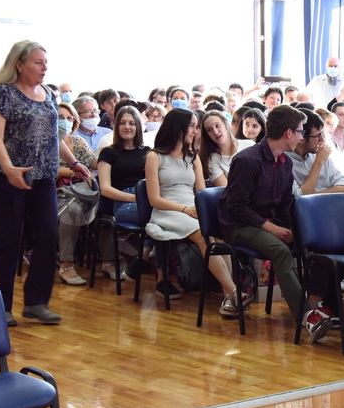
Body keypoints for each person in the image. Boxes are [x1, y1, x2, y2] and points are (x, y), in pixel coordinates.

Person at [0, 40, 91, 326]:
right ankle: (2, 307)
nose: (44, 68)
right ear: (19, 64)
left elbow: (54, 135)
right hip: (6, 176)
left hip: (42, 176)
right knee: (9, 240)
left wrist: (74, 163)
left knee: (48, 235)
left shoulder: (48, 93)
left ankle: (36, 303)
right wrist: (9, 168)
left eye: (45, 62)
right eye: (38, 62)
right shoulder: (3, 93)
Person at [221, 105, 340, 341]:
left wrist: (301, 230)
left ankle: (320, 305)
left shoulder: (285, 162)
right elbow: (236, 207)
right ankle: (308, 316)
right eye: (300, 132)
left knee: (314, 242)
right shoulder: (247, 160)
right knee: (280, 250)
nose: (301, 137)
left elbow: (286, 204)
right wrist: (272, 228)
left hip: (267, 221)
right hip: (239, 225)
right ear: (288, 133)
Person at [144, 107, 241, 315]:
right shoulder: (154, 156)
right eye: (192, 126)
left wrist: (200, 211)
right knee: (203, 236)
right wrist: (185, 209)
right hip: (167, 210)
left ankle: (229, 297)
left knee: (219, 235)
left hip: (191, 208)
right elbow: (154, 199)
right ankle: (234, 292)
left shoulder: (193, 157)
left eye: (196, 127)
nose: (196, 132)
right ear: (178, 128)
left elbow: (201, 193)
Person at [97, 105, 150, 279]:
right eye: (123, 123)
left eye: (132, 123)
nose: (127, 127)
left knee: (162, 218)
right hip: (121, 204)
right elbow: (105, 189)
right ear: (116, 126)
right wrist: (136, 199)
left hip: (146, 201)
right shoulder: (108, 153)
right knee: (159, 218)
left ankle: (144, 258)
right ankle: (145, 257)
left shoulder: (148, 152)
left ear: (138, 126)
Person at [55, 101, 97, 286]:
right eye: (60, 117)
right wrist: (73, 172)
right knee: (72, 210)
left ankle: (110, 262)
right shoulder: (46, 141)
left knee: (105, 206)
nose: (65, 121)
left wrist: (108, 156)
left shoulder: (77, 141)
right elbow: (48, 170)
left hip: (80, 189)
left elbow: (92, 161)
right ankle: (66, 265)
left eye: (70, 118)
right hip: (55, 190)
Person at [289, 110, 344, 197]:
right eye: (317, 136)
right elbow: (299, 197)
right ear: (301, 138)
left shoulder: (321, 153)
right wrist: (318, 162)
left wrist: (314, 195)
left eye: (322, 134)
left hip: (331, 203)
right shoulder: (286, 162)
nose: (322, 140)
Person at [200, 110, 253, 187]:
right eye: (210, 130)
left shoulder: (249, 145)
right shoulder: (212, 160)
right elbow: (226, 189)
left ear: (226, 125)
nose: (215, 132)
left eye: (217, 126)